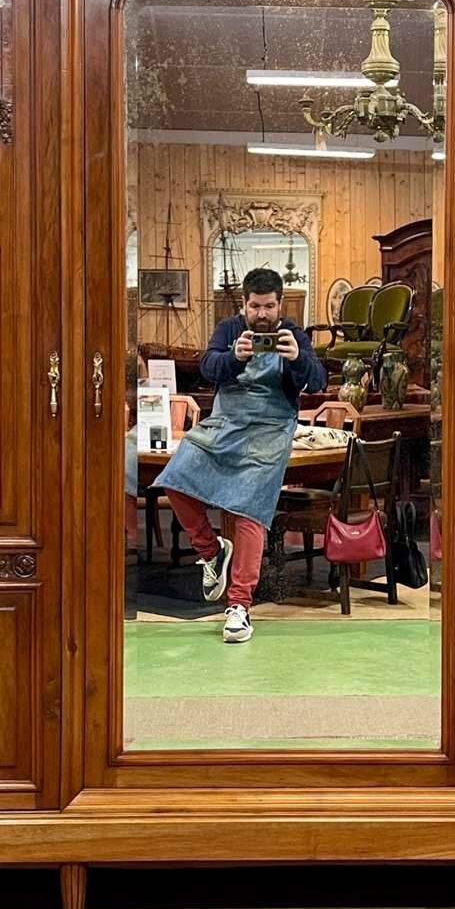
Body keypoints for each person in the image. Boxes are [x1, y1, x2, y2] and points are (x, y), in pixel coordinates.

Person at [152, 268, 327, 643]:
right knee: (174, 479)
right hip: (225, 424)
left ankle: (239, 606)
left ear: (279, 305)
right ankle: (212, 552)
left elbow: (317, 381)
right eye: (254, 307)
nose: (261, 314)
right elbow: (207, 367)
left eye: (268, 307)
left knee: (249, 508)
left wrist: (298, 359)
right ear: (244, 304)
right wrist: (234, 357)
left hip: (270, 430)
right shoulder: (228, 330)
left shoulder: (294, 335)